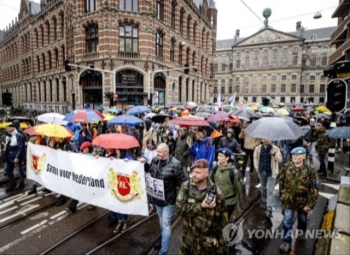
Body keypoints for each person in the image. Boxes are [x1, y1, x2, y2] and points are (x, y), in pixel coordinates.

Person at [139, 143, 187, 255]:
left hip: (168, 201)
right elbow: (151, 171)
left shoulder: (176, 164)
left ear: (166, 152)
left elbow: (184, 183)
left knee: (166, 225)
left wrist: (180, 199)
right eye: (157, 151)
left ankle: (163, 251)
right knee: (161, 223)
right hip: (156, 199)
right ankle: (162, 240)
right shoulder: (156, 160)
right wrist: (145, 164)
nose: (157, 154)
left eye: (160, 152)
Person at [176, 159, 228, 255]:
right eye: (193, 172)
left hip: (206, 242)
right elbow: (179, 209)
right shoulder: (186, 187)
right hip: (188, 238)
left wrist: (221, 244)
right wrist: (201, 206)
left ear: (206, 173)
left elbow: (223, 220)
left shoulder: (217, 193)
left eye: (198, 172)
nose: (194, 175)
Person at [278, 147, 320, 253]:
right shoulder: (287, 166)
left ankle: (301, 232)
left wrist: (310, 204)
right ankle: (287, 242)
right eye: (293, 155)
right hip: (289, 201)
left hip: (303, 202)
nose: (295, 157)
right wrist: (282, 196)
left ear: (304, 156)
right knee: (287, 221)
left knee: (302, 219)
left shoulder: (310, 169)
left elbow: (314, 188)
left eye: (297, 155)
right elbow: (281, 182)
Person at [210, 148, 244, 219]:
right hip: (217, 201)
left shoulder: (233, 172)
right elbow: (211, 181)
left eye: (221, 156)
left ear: (227, 158)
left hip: (228, 203)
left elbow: (239, 190)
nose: (218, 157)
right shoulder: (216, 168)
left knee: (224, 221)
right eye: (218, 155)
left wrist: (240, 208)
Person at [253, 138, 282, 217]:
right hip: (261, 171)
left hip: (271, 173)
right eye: (264, 139)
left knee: (270, 190)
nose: (265, 140)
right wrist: (256, 167)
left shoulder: (275, 148)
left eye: (268, 139)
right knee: (263, 188)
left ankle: (269, 209)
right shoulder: (258, 148)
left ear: (271, 140)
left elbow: (280, 160)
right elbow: (255, 158)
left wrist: (274, 154)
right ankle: (264, 200)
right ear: (261, 140)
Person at [4, 124, 26, 191]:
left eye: (8, 128)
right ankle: (13, 182)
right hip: (9, 156)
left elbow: (21, 147)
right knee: (7, 170)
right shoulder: (8, 136)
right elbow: (7, 146)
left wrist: (17, 157)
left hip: (16, 156)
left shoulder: (19, 136)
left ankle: (22, 183)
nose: (7, 129)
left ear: (13, 128)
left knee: (19, 170)